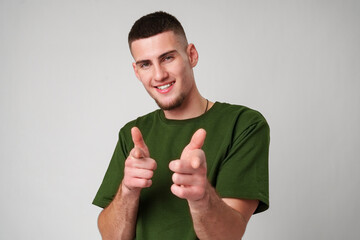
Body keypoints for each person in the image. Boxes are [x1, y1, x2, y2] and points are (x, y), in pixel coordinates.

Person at [93, 11, 270, 240]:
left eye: (167, 57)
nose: (159, 75)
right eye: (146, 64)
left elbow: (230, 235)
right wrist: (128, 190)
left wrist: (201, 198)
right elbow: (111, 237)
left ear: (192, 55)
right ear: (137, 72)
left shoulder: (243, 124)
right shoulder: (132, 134)